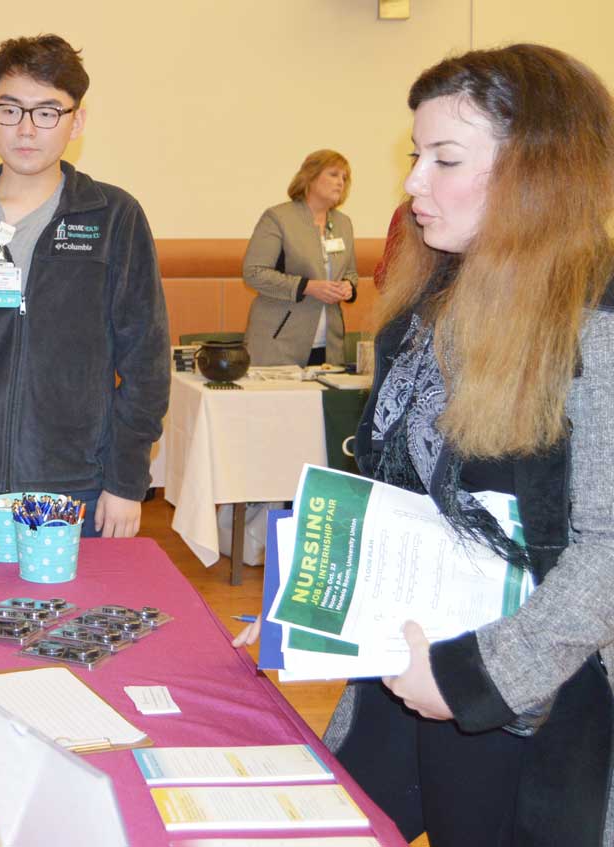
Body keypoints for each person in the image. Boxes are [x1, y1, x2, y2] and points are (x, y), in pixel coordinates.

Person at [237, 44, 614, 847]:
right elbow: (392, 485)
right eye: (417, 155)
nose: (411, 183)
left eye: (445, 158)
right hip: (404, 666)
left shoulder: (598, 321)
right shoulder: (433, 292)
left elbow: (608, 551)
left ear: (539, 172)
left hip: (527, 701)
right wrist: (307, 603)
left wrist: (477, 676)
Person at [0, 34, 170, 540]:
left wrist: (128, 480)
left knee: (73, 619)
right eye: (11, 109)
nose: (26, 129)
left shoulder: (115, 219)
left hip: (79, 484)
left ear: (76, 121)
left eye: (47, 112)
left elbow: (145, 364)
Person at [242, 149, 359, 366]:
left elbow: (350, 272)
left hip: (329, 345)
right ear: (310, 176)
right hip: (280, 341)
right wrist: (307, 286)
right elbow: (254, 273)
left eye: (345, 177)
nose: (340, 182)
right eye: (333, 174)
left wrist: (348, 286)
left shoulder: (344, 223)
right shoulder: (278, 218)